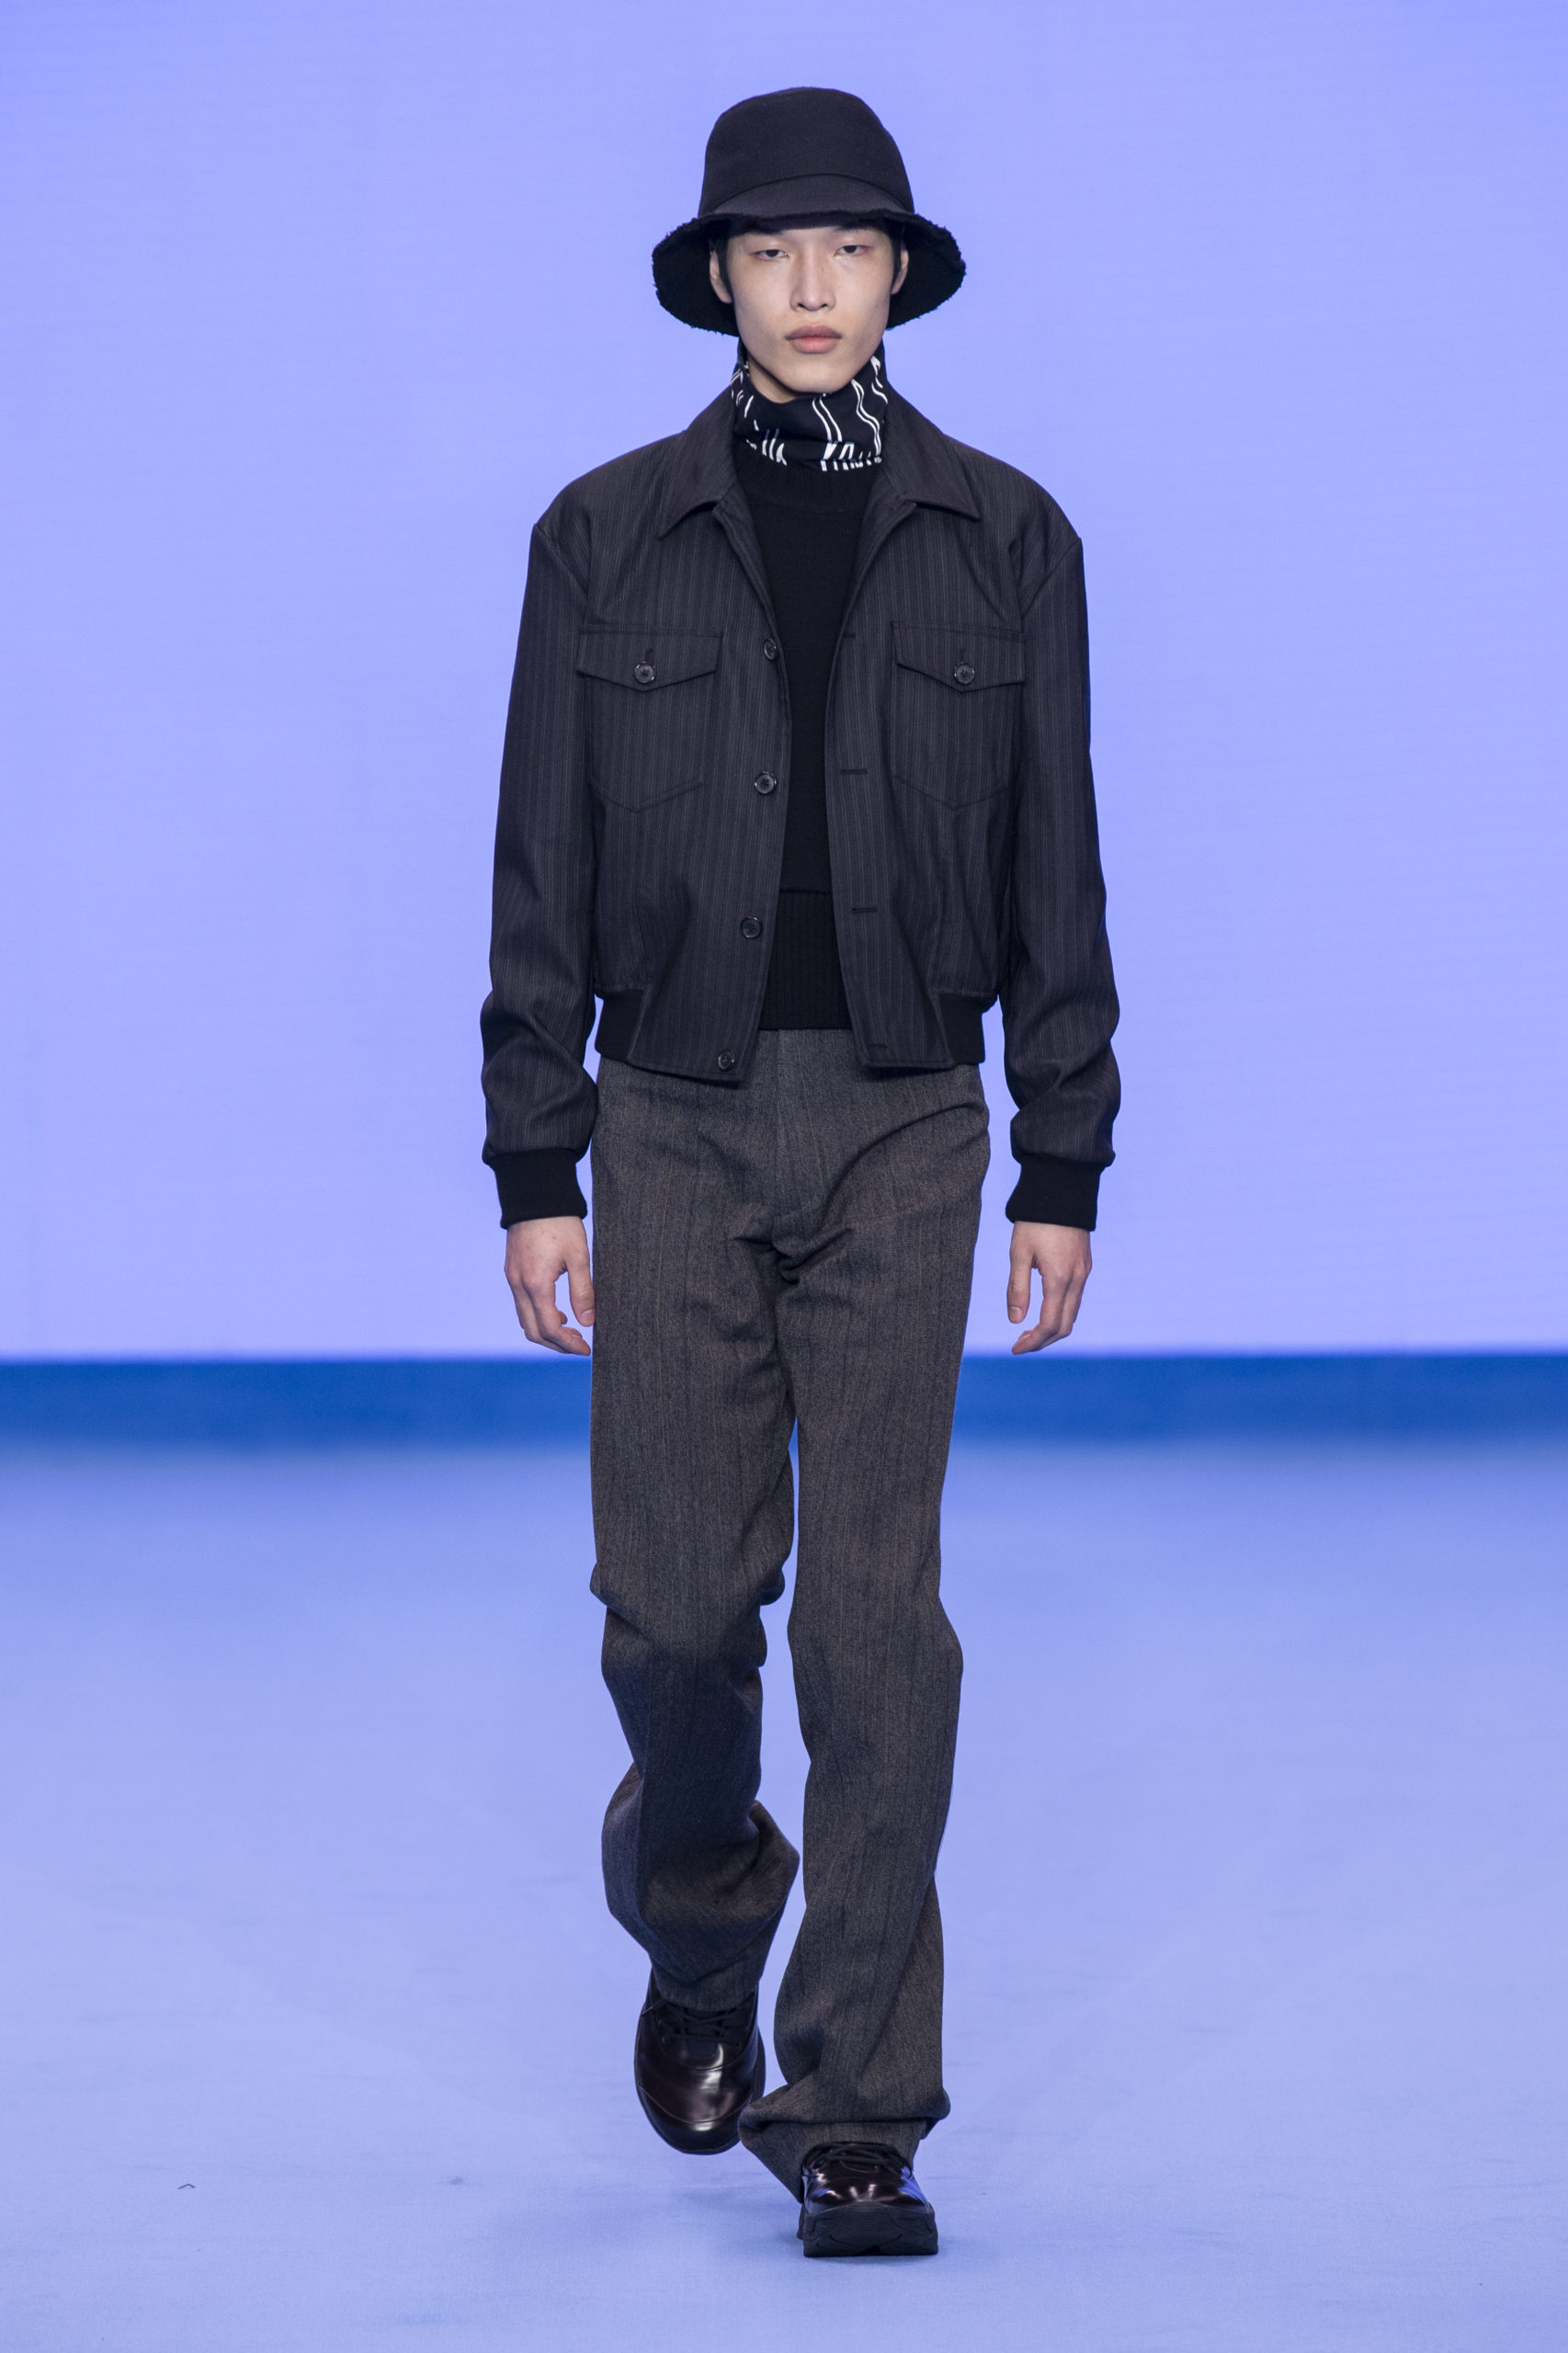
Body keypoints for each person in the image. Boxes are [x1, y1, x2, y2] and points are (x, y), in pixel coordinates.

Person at [480, 85, 1119, 2258]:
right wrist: (534, 1156)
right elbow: (538, 860)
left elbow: (1056, 859)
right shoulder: (600, 534)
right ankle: (698, 1920)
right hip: (662, 1111)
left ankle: (855, 2103)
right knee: (673, 1607)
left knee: (872, 1622)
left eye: (850, 245)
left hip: (908, 1117)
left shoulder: (1010, 538)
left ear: (901, 273)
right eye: (772, 250)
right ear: (720, 283)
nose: (814, 284)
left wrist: (1063, 1153)